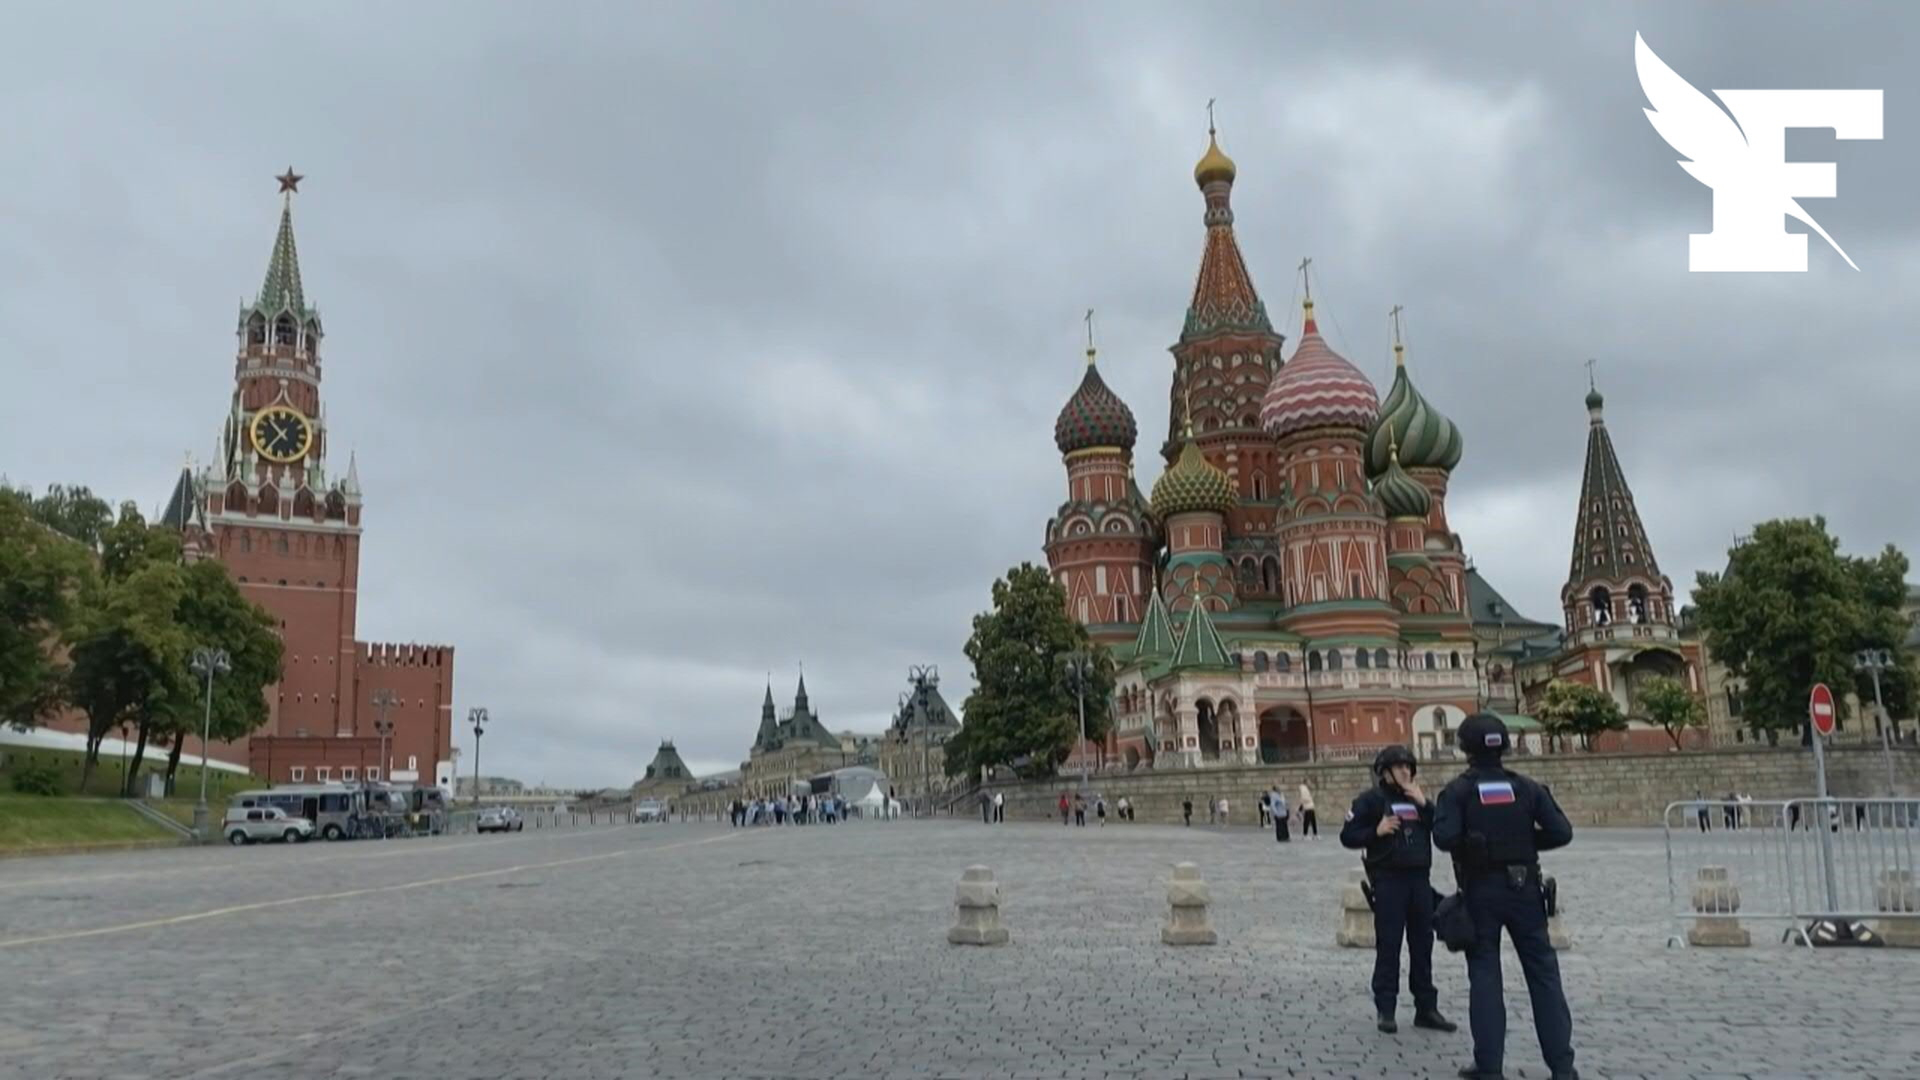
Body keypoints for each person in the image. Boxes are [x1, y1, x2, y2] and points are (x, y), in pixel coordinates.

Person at [1433, 713, 1577, 1080]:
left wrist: (1478, 846)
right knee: (1544, 974)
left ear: (1464, 747)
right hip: (1525, 887)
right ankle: (1562, 1066)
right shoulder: (1528, 788)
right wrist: (1525, 843)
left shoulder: (1459, 791)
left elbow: (1444, 838)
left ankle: (1489, 1066)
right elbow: (1561, 832)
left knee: (1485, 975)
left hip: (1482, 890)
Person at [1341, 745, 1455, 1037]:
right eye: (1400, 767)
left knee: (1423, 946)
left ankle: (1426, 1008)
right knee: (1389, 946)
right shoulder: (1370, 801)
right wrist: (1374, 832)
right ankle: (1386, 1008)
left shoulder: (1417, 800)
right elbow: (1348, 835)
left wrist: (1425, 804)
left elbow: (1445, 830)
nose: (1406, 771)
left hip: (1419, 881)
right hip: (1389, 881)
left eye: (1409, 767)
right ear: (1385, 772)